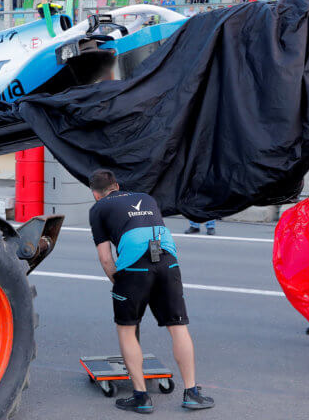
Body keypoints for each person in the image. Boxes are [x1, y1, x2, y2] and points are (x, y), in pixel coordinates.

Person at [88, 169, 215, 413]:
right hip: (168, 262)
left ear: (95, 194)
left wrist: (120, 283)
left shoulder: (98, 209)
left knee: (127, 329)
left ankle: (141, 397)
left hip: (134, 268)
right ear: (117, 185)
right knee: (178, 327)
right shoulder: (146, 198)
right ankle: (191, 393)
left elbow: (105, 259)